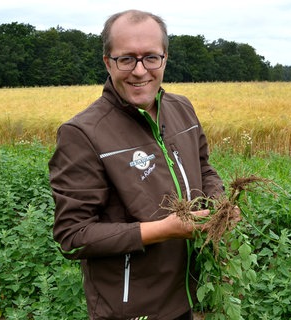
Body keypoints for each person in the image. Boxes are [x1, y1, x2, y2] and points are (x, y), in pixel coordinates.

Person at [48, 9, 226, 320]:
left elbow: (204, 168)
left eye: (150, 58)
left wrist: (220, 205)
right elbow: (72, 237)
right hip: (132, 309)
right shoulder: (83, 133)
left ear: (165, 58)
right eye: (126, 58)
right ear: (108, 62)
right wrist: (161, 230)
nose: (140, 71)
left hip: (188, 294)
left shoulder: (181, 109)